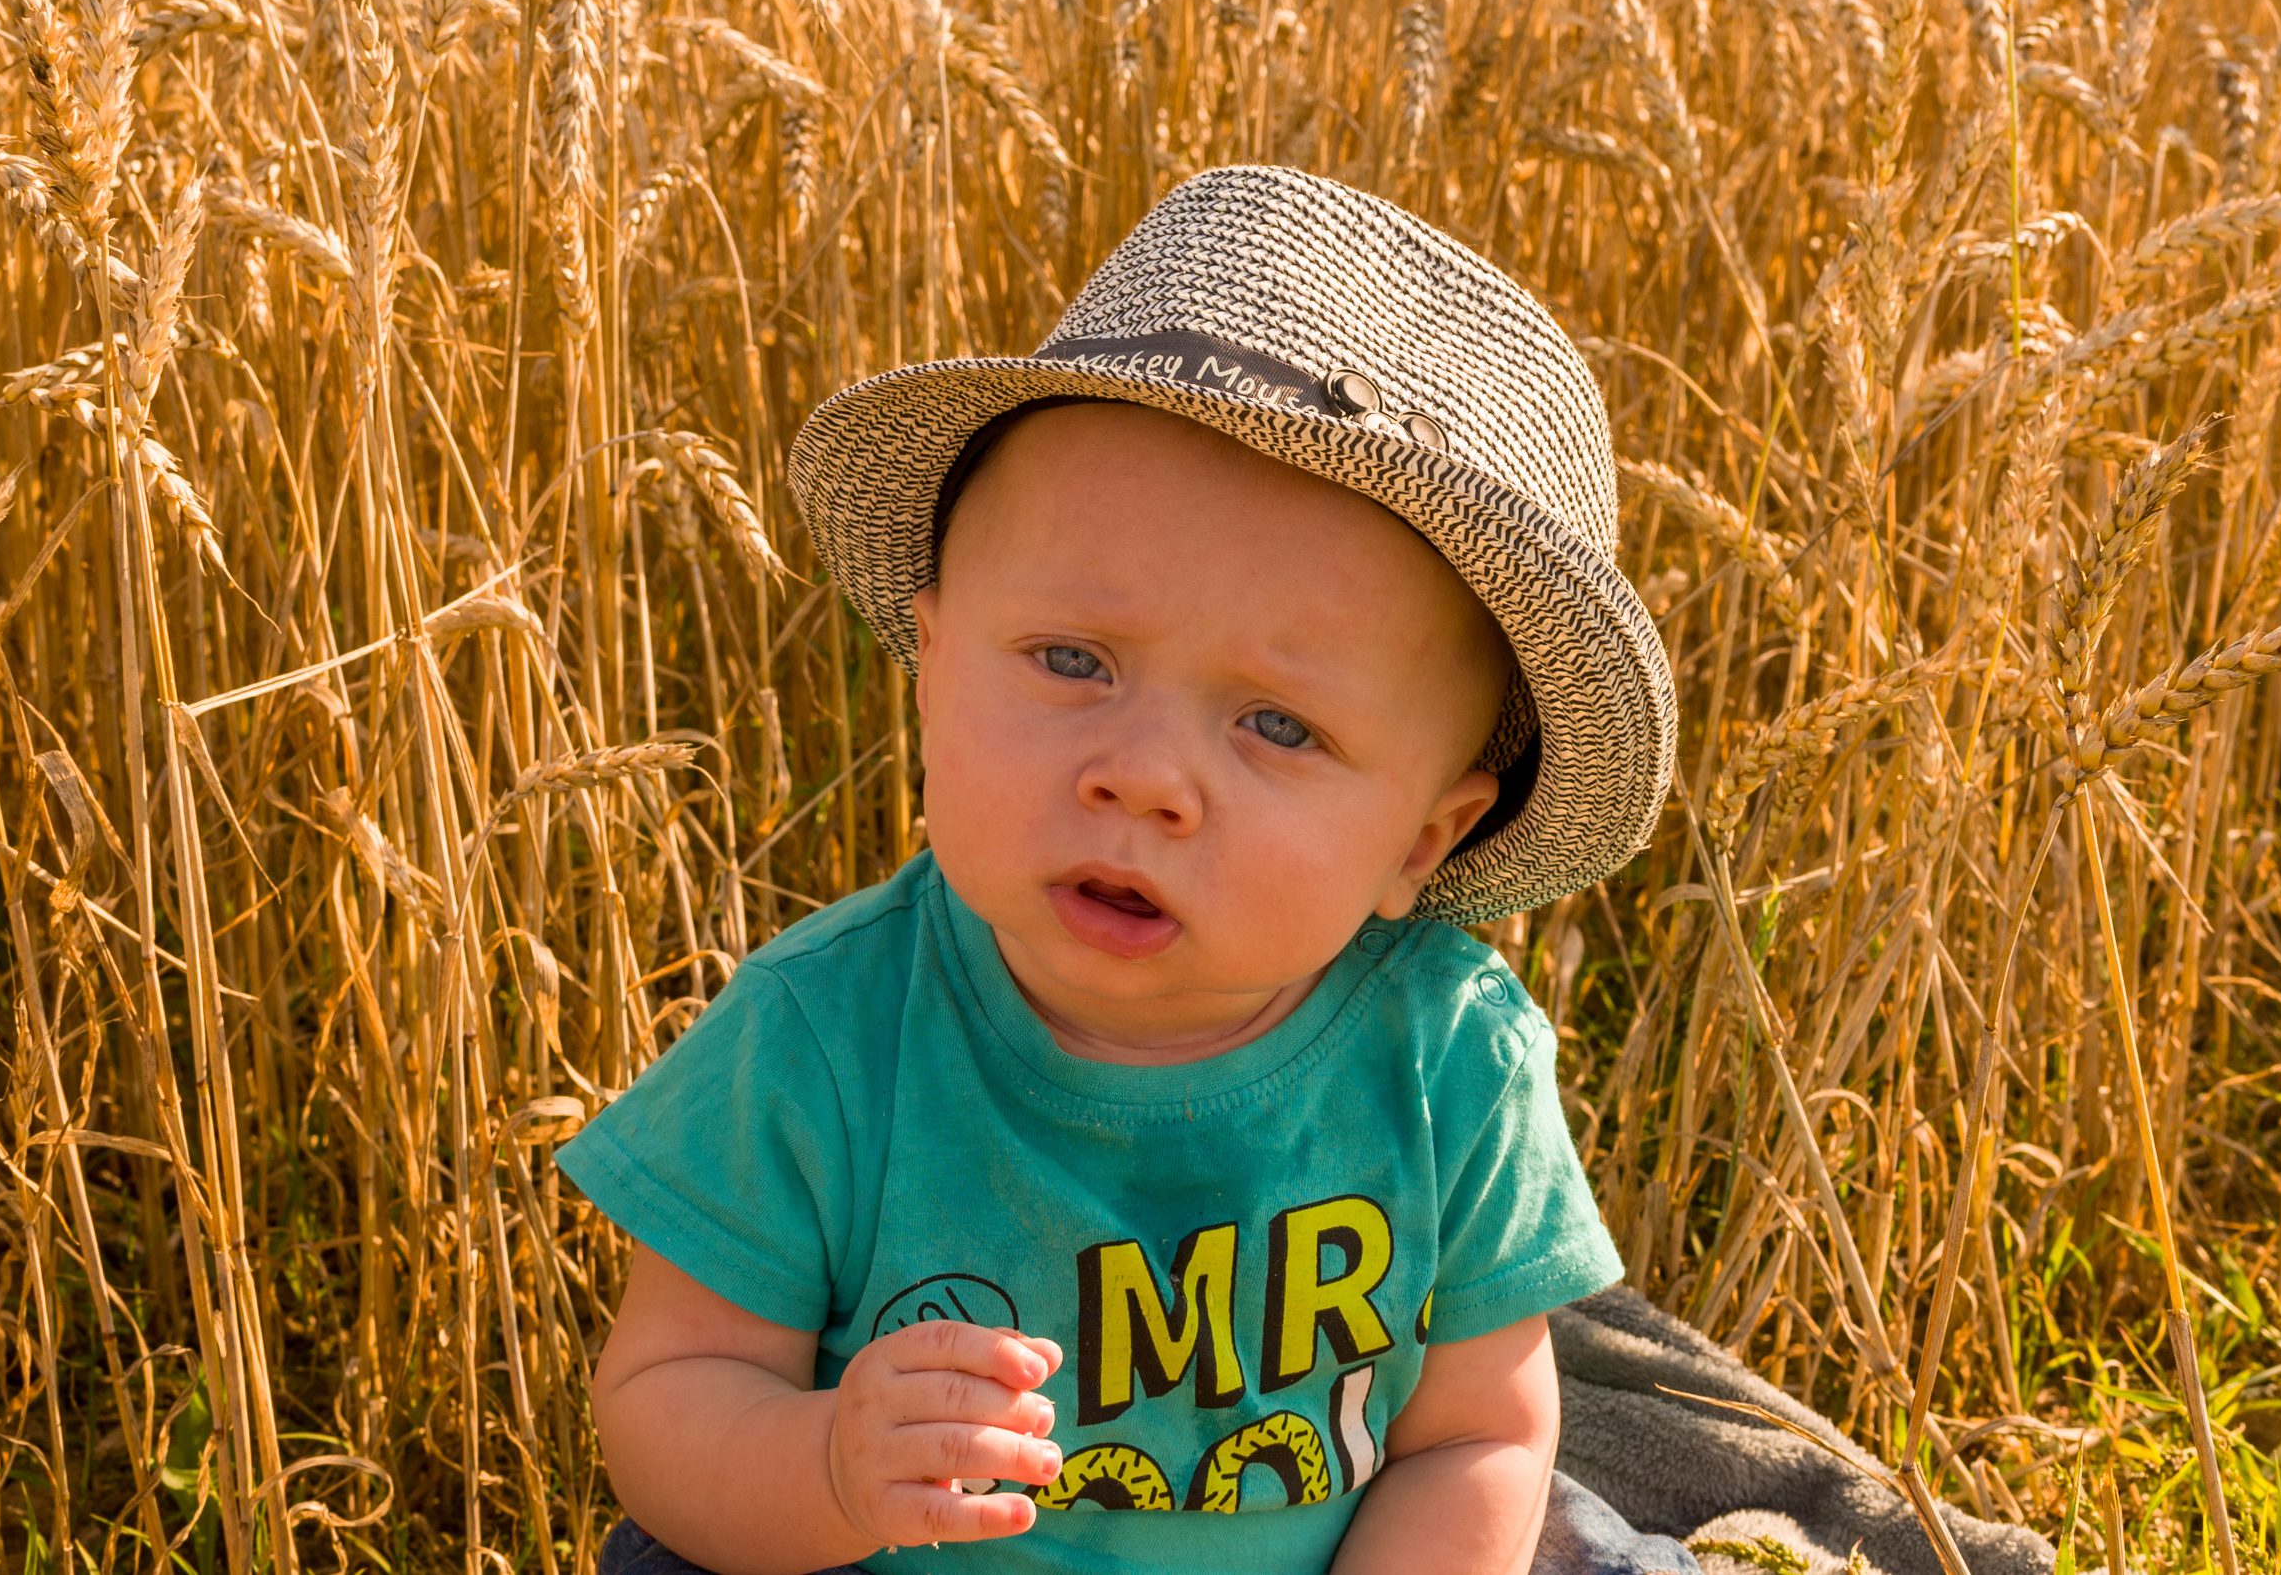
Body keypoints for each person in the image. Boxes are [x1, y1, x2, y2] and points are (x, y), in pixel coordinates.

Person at [559, 165, 1679, 1575]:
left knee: (1570, 1536)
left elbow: (1477, 1435)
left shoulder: (1447, 1059)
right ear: (931, 663)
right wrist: (826, 1466)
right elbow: (666, 1393)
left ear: (1421, 842)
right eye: (1072, 662)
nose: (1142, 775)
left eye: (1280, 726)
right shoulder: (827, 1033)